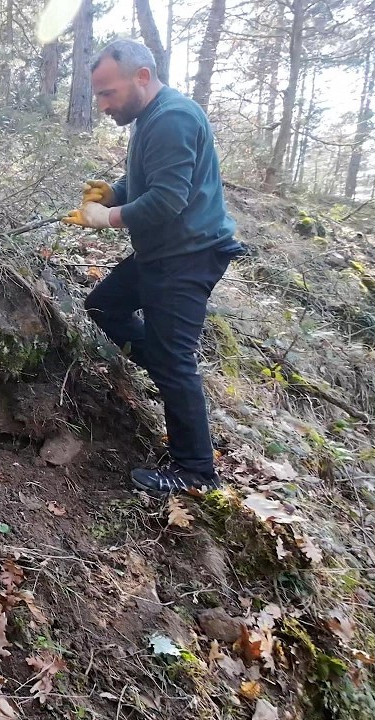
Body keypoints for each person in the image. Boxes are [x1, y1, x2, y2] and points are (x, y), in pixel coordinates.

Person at [61, 38, 244, 495]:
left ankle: (195, 470)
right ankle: (167, 373)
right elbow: (150, 179)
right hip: (163, 253)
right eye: (99, 94)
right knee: (104, 307)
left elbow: (167, 199)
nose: (103, 105)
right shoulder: (150, 116)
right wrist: (115, 193)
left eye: (108, 93)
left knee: (175, 359)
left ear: (142, 77)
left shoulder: (173, 117)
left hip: (188, 256)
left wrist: (106, 218)